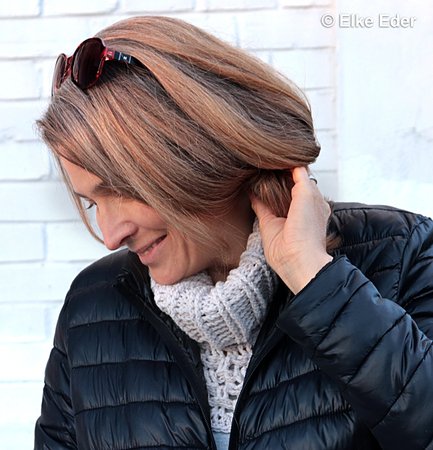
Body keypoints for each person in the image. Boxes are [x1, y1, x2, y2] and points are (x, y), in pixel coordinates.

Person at [34, 15, 433, 450]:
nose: (111, 236)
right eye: (93, 203)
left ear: (199, 149)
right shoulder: (92, 309)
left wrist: (318, 282)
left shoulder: (401, 256)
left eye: (123, 190)